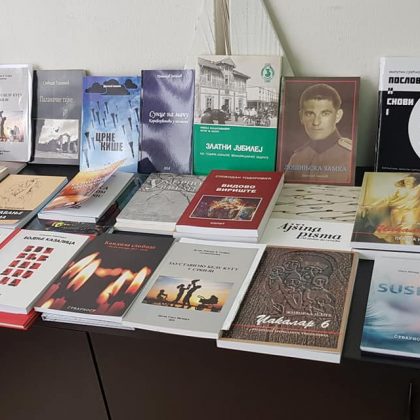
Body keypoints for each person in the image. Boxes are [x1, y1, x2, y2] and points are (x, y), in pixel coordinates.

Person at [284, 83, 352, 184]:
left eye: (325, 114)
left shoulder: (349, 156)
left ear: (338, 116)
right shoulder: (297, 158)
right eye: (309, 114)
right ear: (301, 117)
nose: (316, 122)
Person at [363, 174, 420, 245]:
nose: (408, 181)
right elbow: (385, 199)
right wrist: (371, 205)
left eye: (410, 180)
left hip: (409, 213)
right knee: (399, 232)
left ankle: (408, 248)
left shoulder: (418, 189)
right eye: (406, 180)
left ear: (415, 181)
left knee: (407, 232)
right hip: (396, 213)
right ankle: (402, 247)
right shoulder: (399, 190)